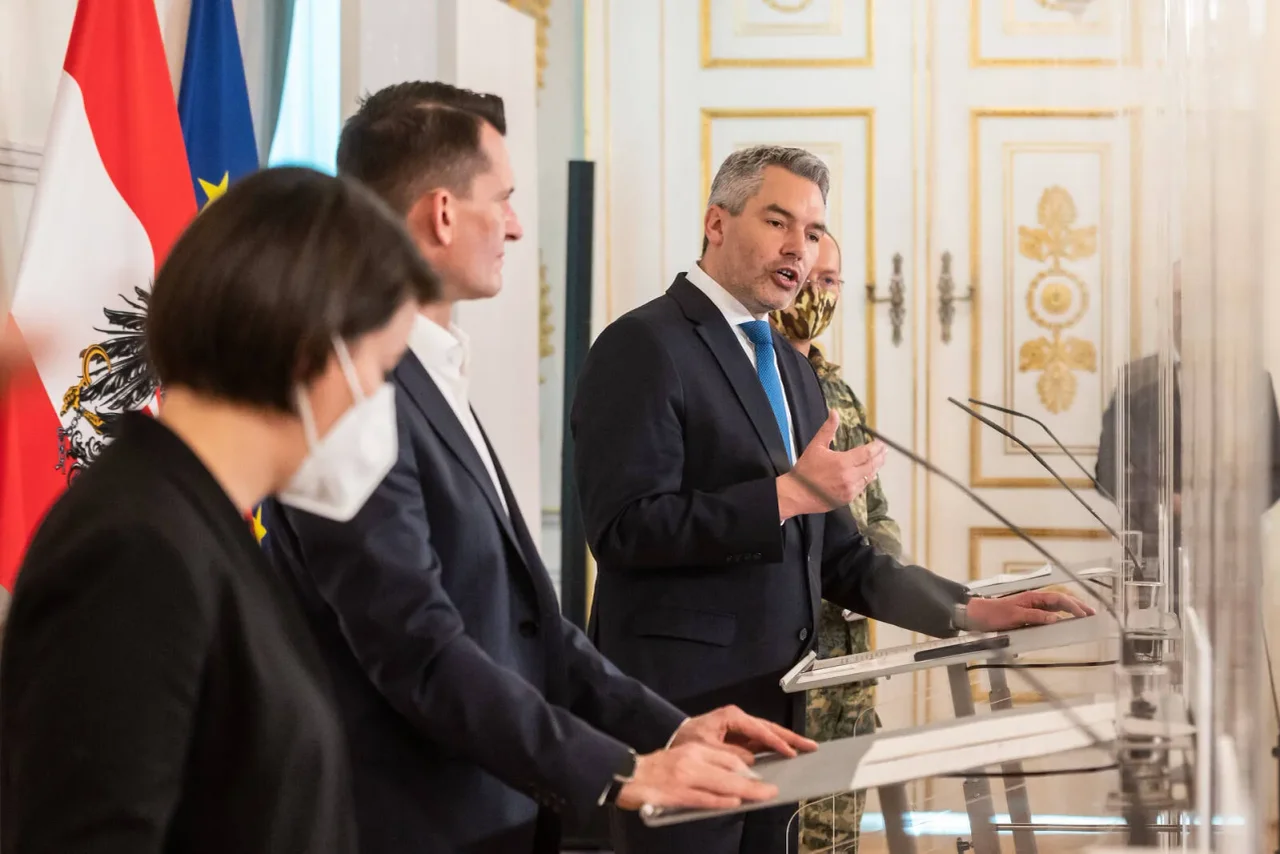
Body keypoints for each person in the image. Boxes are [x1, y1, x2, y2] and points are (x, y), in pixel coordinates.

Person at [260, 82, 813, 854]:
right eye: (505, 199)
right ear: (444, 213)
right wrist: (618, 772)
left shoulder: (428, 372)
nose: (518, 227)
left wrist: (672, 725)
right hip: (407, 822)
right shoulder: (352, 391)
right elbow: (418, 645)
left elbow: (528, 625)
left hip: (492, 810)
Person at [571, 144, 1094, 854]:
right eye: (779, 222)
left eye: (813, 232)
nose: (800, 249)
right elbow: (624, 529)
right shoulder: (643, 344)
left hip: (779, 705)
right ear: (716, 224)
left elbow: (842, 554)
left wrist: (967, 609)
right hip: (677, 710)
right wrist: (784, 496)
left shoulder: (793, 366)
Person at [0, 166, 438, 853]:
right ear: (310, 354)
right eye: (381, 372)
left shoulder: (195, 521)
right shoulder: (136, 549)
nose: (384, 407)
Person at [770, 231, 896, 854]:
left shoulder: (838, 389)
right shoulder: (760, 387)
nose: (820, 292)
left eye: (832, 281)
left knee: (839, 833)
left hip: (853, 660)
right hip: (797, 653)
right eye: (811, 278)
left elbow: (878, 511)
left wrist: (884, 566)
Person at [1096, 262, 1280, 557]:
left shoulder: (1254, 381)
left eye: (1191, 298)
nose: (1182, 310)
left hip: (1232, 558)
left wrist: (1215, 507)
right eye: (1174, 299)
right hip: (1155, 554)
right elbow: (1107, 472)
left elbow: (1273, 474)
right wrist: (1165, 502)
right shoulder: (1134, 380)